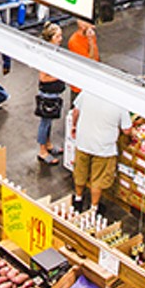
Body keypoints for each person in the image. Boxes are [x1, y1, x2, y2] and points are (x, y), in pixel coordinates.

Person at [70, 91, 131, 214]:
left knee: (80, 172)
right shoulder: (120, 103)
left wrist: (74, 126)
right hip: (103, 148)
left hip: (83, 141)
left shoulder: (88, 91)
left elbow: (76, 111)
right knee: (98, 179)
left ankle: (78, 199)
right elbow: (127, 130)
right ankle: (93, 208)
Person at [35, 23, 66, 165]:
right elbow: (43, 77)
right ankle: (42, 151)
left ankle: (48, 145)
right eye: (57, 36)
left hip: (54, 93)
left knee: (49, 123)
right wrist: (61, 76)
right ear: (50, 38)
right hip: (47, 95)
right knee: (44, 123)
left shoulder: (54, 51)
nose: (61, 38)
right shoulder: (46, 55)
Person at [66, 20, 100, 108]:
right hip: (79, 86)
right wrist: (91, 40)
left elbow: (96, 57)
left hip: (90, 82)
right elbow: (90, 62)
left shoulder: (91, 36)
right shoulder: (74, 42)